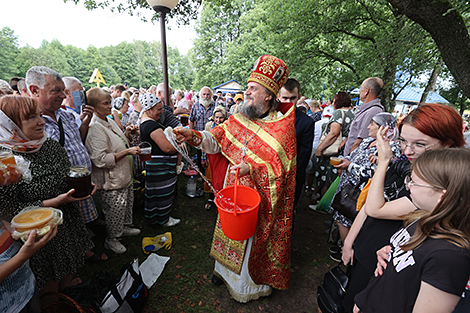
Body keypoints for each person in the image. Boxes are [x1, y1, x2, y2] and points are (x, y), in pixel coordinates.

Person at [174, 54, 295, 302]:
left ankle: (245, 286)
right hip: (232, 190)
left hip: (258, 200)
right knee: (227, 232)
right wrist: (192, 135)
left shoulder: (282, 129)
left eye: (253, 89)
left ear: (269, 95)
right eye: (248, 87)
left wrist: (252, 169)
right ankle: (222, 271)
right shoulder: (238, 118)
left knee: (247, 239)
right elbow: (216, 139)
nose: (247, 92)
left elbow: (282, 171)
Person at [341, 103, 466, 312]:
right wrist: (350, 241)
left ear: (448, 144)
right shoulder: (408, 166)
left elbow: (375, 208)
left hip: (392, 270)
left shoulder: (434, 187)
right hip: (380, 253)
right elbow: (370, 207)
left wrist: (383, 161)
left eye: (419, 144)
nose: (408, 150)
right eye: (403, 141)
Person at [353, 148, 470, 313]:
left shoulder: (450, 256)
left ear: (442, 196)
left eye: (414, 182)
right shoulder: (422, 218)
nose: (408, 186)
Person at [0, 95, 94, 298]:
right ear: (11, 124)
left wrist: (80, 185)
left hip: (65, 223)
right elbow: (9, 213)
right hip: (38, 235)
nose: (41, 122)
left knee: (67, 278)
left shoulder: (48, 145)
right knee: (48, 290)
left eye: (40, 115)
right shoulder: (5, 161)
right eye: (32, 117)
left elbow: (67, 173)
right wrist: (54, 202)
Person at [25, 67, 102, 260]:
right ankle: (70, 266)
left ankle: (81, 253)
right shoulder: (28, 123)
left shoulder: (65, 115)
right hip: (55, 191)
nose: (63, 95)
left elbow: (76, 142)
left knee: (76, 224)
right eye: (56, 91)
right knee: (61, 230)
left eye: (63, 90)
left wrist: (84, 124)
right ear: (34, 90)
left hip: (78, 181)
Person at [328, 113, 400, 261]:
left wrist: (350, 166)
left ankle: (350, 253)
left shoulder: (391, 148)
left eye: (372, 124)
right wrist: (344, 160)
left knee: (351, 222)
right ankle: (344, 248)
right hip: (348, 188)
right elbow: (353, 156)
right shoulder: (368, 141)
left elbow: (377, 174)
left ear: (383, 128)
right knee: (341, 218)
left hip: (362, 194)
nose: (368, 126)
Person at [85, 88, 141, 254]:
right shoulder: (95, 127)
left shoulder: (107, 120)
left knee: (125, 205)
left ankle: (123, 228)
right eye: (106, 103)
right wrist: (127, 152)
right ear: (94, 106)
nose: (110, 106)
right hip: (112, 180)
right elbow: (100, 159)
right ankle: (112, 239)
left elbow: (118, 142)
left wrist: (127, 134)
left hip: (124, 175)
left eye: (110, 102)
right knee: (114, 211)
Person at [138, 93, 180, 227]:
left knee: (155, 193)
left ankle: (154, 218)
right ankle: (164, 219)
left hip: (156, 165)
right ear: (148, 110)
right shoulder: (151, 125)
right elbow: (167, 148)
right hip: (161, 167)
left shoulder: (146, 123)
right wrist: (179, 144)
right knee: (163, 193)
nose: (162, 112)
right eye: (159, 109)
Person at [278, 78, 314, 208]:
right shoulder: (268, 116)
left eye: (292, 98)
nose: (289, 102)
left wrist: (288, 178)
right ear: (278, 96)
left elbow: (303, 157)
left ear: (299, 97)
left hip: (292, 178)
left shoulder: (306, 123)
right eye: (285, 98)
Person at [314, 92, 354, 197]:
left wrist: (319, 149)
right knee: (333, 177)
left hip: (332, 151)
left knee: (326, 176)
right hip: (344, 150)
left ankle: (322, 205)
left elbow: (333, 133)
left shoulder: (338, 113)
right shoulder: (353, 113)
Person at [344, 77, 384, 155]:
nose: (359, 91)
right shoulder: (367, 110)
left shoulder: (373, 112)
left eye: (361, 88)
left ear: (366, 91)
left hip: (353, 160)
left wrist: (347, 159)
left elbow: (360, 141)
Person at [203, 106, 228, 210]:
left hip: (222, 156)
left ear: (225, 117)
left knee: (221, 178)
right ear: (213, 117)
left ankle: (222, 198)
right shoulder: (209, 125)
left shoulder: (228, 126)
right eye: (216, 117)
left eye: (221, 117)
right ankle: (210, 198)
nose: (218, 120)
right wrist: (204, 157)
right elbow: (205, 142)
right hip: (211, 155)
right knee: (211, 176)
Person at [189, 86, 216, 174]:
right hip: (199, 135)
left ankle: (210, 173)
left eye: (208, 94)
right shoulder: (195, 105)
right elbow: (191, 119)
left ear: (211, 95)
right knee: (200, 154)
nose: (206, 96)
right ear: (200, 95)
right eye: (204, 94)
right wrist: (192, 132)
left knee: (211, 155)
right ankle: (201, 174)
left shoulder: (215, 106)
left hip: (212, 136)